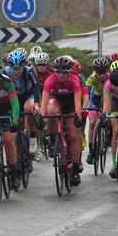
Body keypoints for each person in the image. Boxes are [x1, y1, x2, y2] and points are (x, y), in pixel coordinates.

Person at [40, 56, 84, 186]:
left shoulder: (75, 79)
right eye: (58, 71)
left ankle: (75, 167)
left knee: (74, 134)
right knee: (51, 111)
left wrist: (78, 117)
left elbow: (77, 104)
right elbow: (44, 102)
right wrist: (41, 117)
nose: (60, 75)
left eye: (63, 72)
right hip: (57, 98)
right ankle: (53, 138)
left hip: (71, 101)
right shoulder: (51, 79)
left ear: (69, 71)